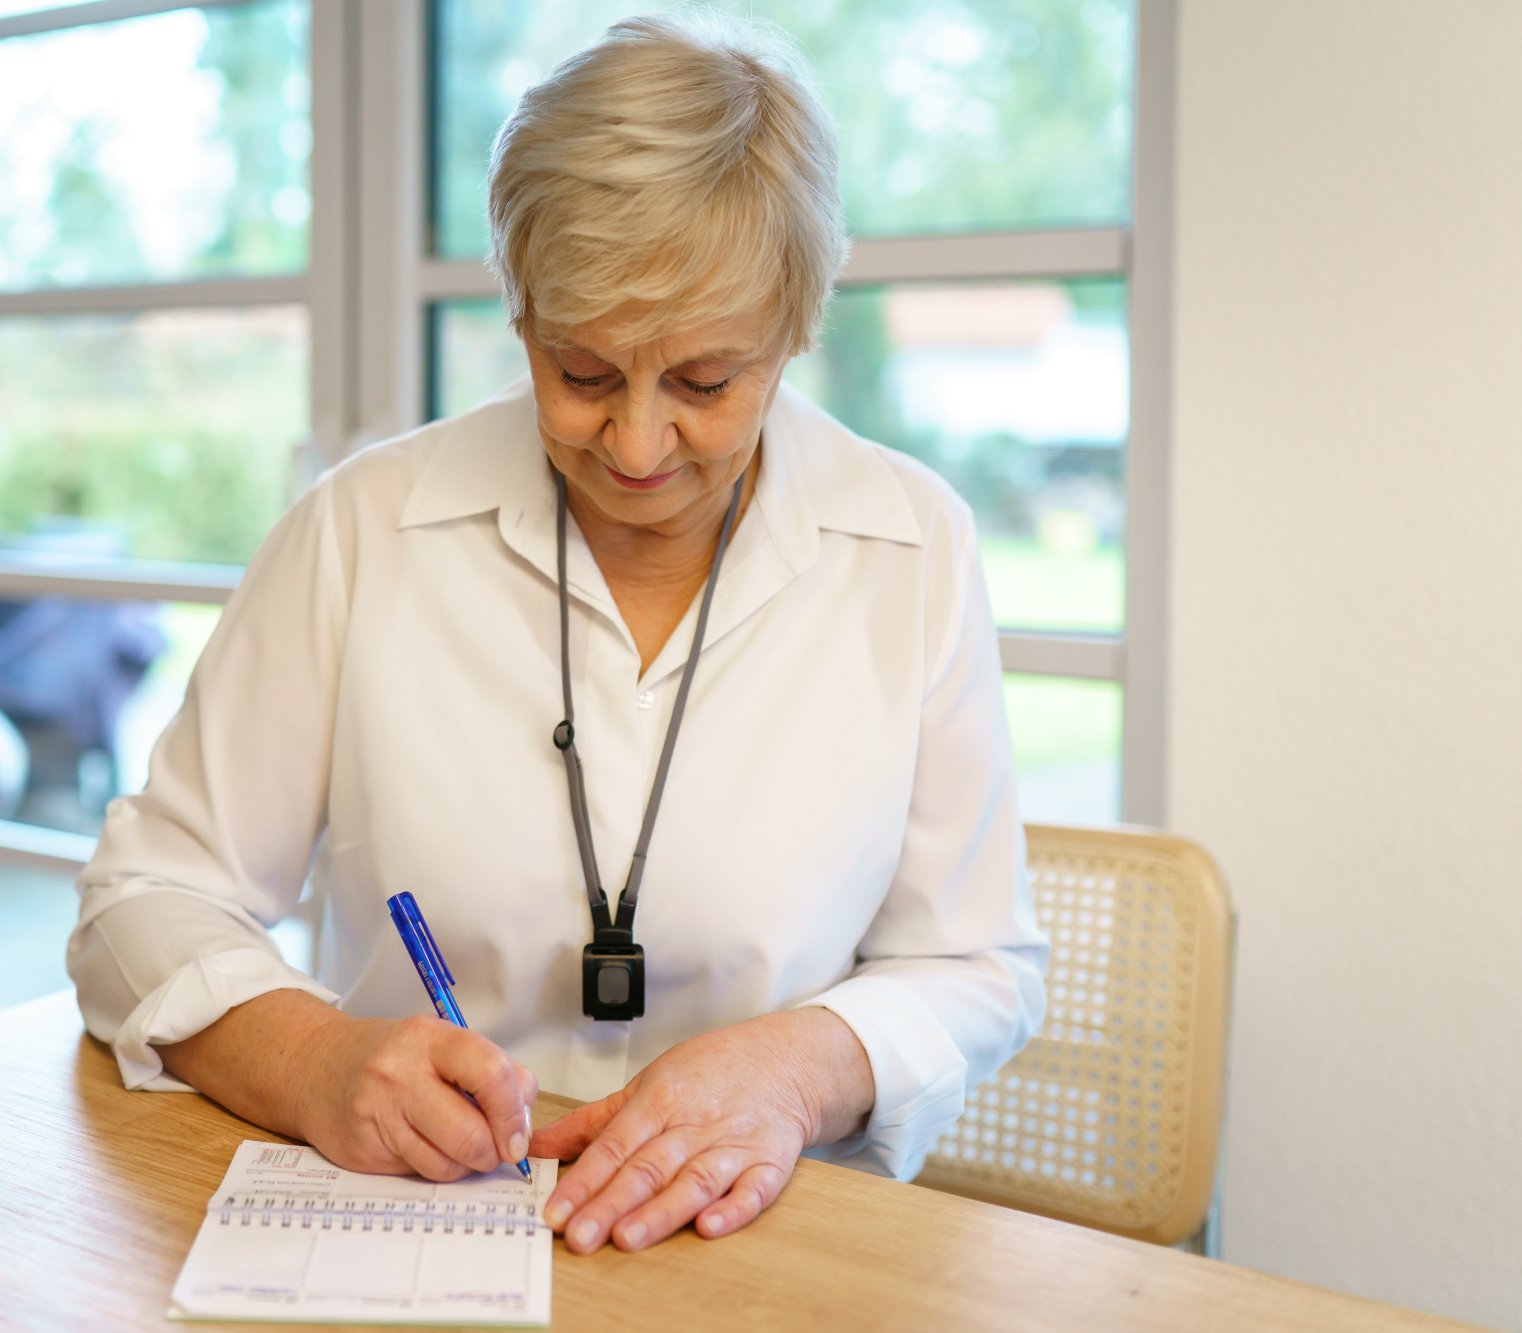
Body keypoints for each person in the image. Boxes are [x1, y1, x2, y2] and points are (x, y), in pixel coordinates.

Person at [68, 11, 1046, 1256]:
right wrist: (311, 1058)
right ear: (520, 317)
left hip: (763, 1256)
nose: (636, 449)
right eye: (582, 374)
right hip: (406, 1234)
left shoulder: (910, 547)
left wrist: (800, 1066)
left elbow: (979, 963)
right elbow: (144, 895)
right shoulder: (364, 529)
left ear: (796, 330)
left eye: (703, 382)